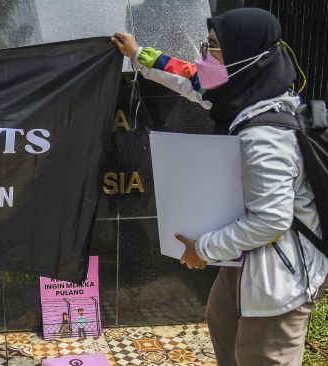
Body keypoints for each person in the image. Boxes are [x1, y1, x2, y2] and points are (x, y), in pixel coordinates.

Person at [111, 8, 327, 366]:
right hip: (247, 259)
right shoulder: (245, 96)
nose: (203, 56)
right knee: (221, 322)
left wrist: (204, 249)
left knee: (261, 354)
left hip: (279, 277)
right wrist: (139, 54)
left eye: (212, 47)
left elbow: (271, 221)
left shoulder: (265, 137)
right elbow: (191, 80)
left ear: (243, 56)